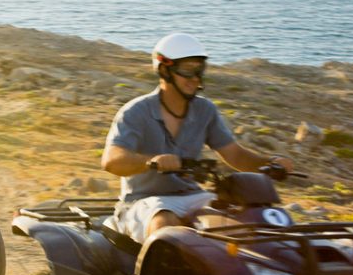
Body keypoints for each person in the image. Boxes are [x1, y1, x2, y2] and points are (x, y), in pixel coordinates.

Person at [102, 32, 292, 242]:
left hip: (192, 196)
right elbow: (112, 161)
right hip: (143, 201)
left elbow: (235, 155)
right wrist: (151, 161)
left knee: (237, 220)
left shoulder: (205, 110)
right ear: (165, 69)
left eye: (199, 69)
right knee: (165, 225)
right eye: (187, 70)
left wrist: (270, 163)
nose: (195, 78)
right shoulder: (135, 112)